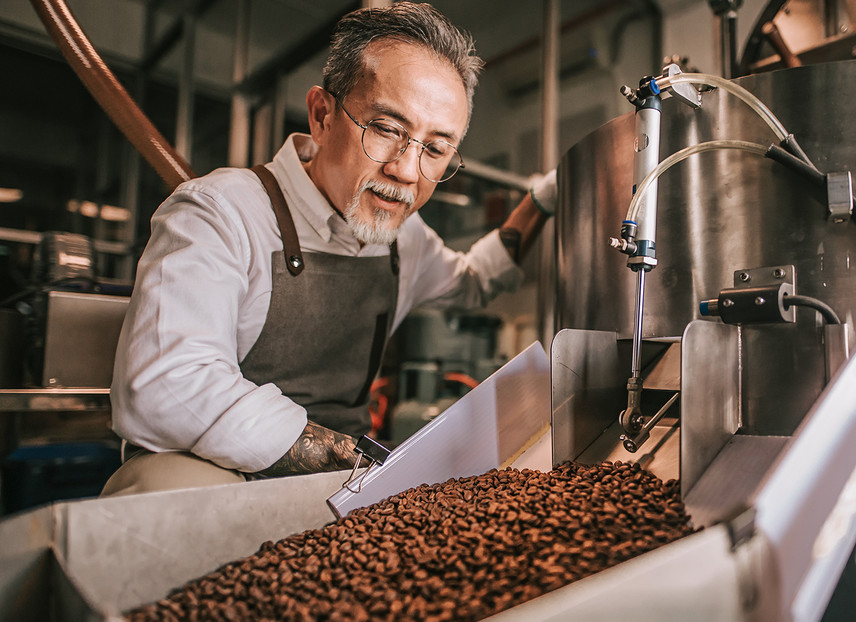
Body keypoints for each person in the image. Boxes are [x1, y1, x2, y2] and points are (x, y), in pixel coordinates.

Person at [101, 2, 556, 497]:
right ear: (322, 116)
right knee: (163, 489)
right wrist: (355, 460)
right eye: (385, 129)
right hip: (214, 479)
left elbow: (474, 280)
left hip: (344, 484)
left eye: (435, 149)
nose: (406, 171)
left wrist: (542, 200)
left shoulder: (408, 240)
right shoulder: (220, 211)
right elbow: (168, 384)